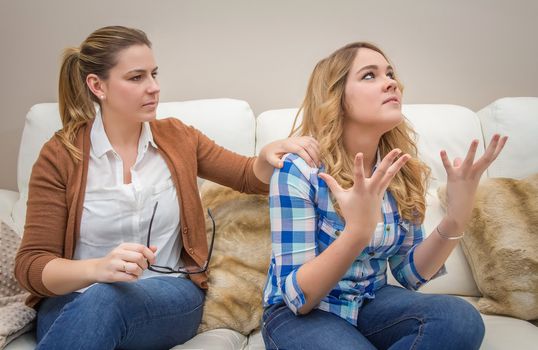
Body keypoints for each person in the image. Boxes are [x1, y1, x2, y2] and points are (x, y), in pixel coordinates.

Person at [14, 26, 320, 350]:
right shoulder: (61, 154)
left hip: (169, 297)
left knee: (107, 300)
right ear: (97, 85)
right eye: (136, 78)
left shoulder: (178, 137)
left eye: (154, 74)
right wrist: (97, 269)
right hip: (75, 299)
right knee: (99, 301)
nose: (154, 88)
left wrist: (268, 156)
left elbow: (246, 174)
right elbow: (31, 265)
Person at [262, 42, 507, 349]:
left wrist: (457, 217)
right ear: (335, 98)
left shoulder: (401, 170)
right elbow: (299, 298)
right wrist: (357, 233)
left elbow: (410, 274)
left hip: (371, 299)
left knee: (459, 319)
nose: (391, 82)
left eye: (390, 73)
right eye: (369, 75)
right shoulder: (299, 170)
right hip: (303, 314)